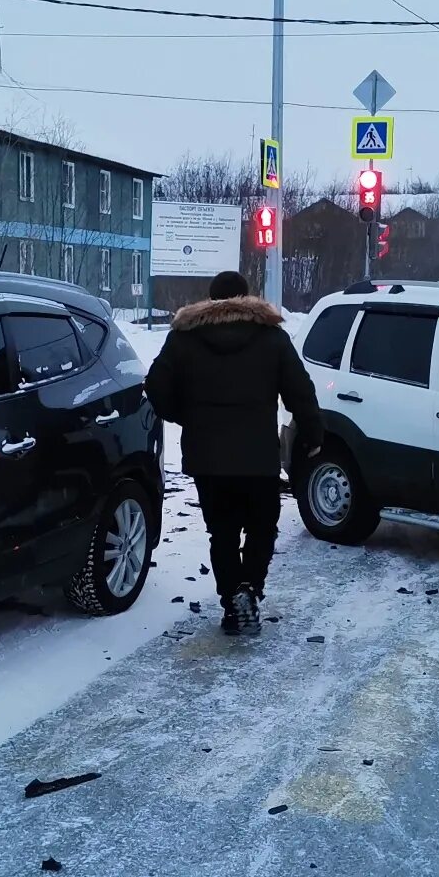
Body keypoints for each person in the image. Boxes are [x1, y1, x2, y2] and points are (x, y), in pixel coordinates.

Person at [145, 269, 323, 636]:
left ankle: (231, 602)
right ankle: (249, 589)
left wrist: (186, 416)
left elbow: (155, 386)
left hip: (207, 457)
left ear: (211, 301)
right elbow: (300, 391)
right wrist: (313, 434)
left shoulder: (183, 339)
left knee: (221, 533)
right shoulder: (272, 338)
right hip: (257, 457)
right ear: (247, 298)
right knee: (262, 527)